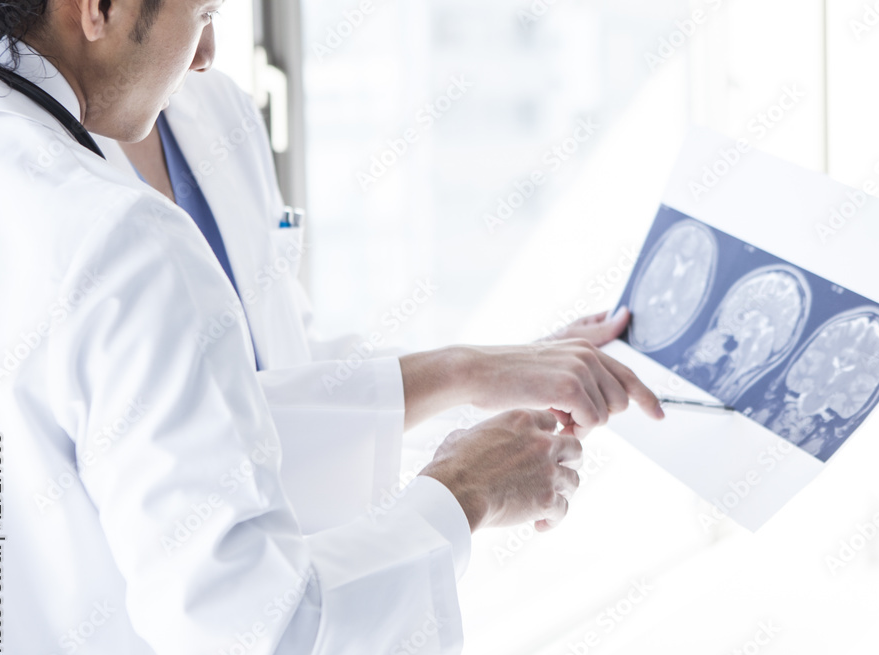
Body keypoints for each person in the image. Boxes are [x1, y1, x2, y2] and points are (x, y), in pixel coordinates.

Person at [0, 1, 661, 655]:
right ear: (98, 8)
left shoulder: (18, 151)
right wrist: (462, 492)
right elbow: (262, 642)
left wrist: (477, 371)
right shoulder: (120, 234)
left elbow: (225, 393)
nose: (210, 54)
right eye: (205, 13)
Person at [93, 63, 661, 532]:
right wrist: (467, 377)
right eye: (204, 14)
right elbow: (196, 426)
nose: (208, 52)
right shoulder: (55, 181)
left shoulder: (216, 105)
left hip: (295, 551)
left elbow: (297, 361)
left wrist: (520, 369)